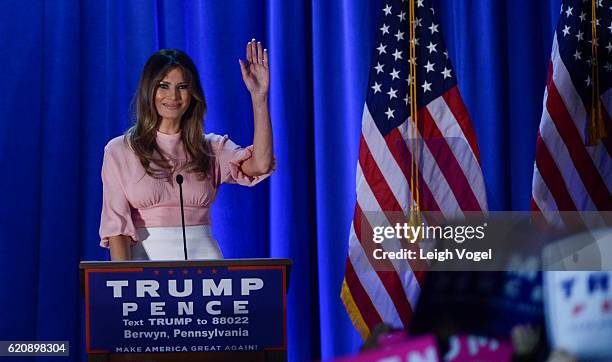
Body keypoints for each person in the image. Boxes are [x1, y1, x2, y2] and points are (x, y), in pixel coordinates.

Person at [99, 40, 274, 261]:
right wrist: (123, 288)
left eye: (182, 87)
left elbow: (261, 164)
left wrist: (259, 99)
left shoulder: (211, 148)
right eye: (164, 86)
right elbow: (117, 231)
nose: (173, 96)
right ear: (148, 90)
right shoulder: (119, 150)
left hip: (205, 271)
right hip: (143, 275)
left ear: (192, 95)